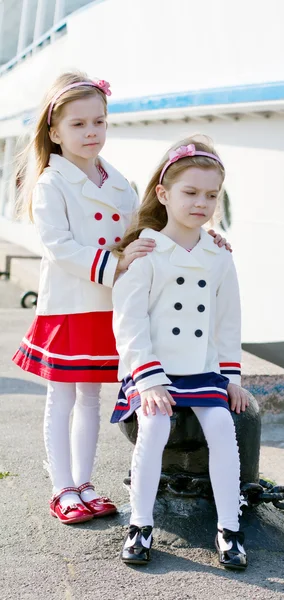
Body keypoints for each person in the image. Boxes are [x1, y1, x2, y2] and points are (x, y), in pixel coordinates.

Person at [11, 72, 231, 525]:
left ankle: (85, 483)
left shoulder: (117, 180)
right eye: (78, 124)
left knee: (90, 398)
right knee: (62, 398)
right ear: (54, 132)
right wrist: (119, 264)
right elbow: (59, 247)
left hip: (107, 303)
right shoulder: (52, 183)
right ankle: (62, 488)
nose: (91, 132)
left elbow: (148, 222)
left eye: (99, 122)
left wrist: (205, 236)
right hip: (71, 304)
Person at [111, 137, 249, 570]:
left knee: (223, 425)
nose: (201, 203)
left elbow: (227, 322)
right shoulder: (147, 252)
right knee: (153, 428)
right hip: (153, 367)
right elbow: (128, 320)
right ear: (164, 194)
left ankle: (229, 529)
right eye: (190, 193)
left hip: (202, 369)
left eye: (211, 195)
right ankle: (140, 524)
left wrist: (232, 378)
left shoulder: (218, 256)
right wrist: (148, 378)